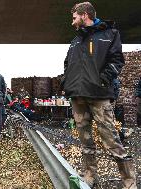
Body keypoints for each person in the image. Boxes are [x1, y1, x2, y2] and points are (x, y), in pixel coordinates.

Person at [62, 2, 136, 188]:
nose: (73, 22)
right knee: (85, 141)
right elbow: (67, 63)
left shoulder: (110, 34)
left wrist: (103, 80)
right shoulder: (76, 40)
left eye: (74, 18)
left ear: (84, 15)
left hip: (99, 95)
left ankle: (129, 182)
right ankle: (90, 177)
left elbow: (117, 60)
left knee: (112, 140)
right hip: (78, 97)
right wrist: (66, 82)